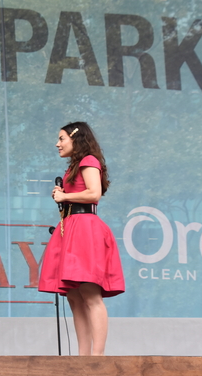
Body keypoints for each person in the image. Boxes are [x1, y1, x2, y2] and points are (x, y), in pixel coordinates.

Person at [39, 121, 124, 356]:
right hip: (72, 227)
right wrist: (64, 196)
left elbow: (94, 193)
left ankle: (97, 356)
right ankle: (83, 356)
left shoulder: (88, 160)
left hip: (85, 228)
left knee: (90, 294)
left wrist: (65, 195)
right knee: (74, 297)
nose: (57, 144)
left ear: (75, 139)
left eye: (61, 138)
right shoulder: (75, 166)